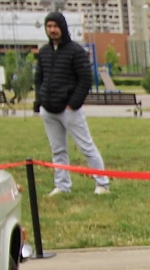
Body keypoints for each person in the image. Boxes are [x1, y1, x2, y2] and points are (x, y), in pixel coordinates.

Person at [33, 12, 110, 196]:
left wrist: (73, 104)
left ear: (62, 28)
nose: (52, 30)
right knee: (57, 150)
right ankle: (62, 185)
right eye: (49, 26)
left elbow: (85, 79)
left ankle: (102, 183)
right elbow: (39, 78)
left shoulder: (75, 51)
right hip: (49, 109)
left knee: (86, 147)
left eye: (55, 26)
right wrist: (40, 101)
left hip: (69, 110)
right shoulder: (44, 52)